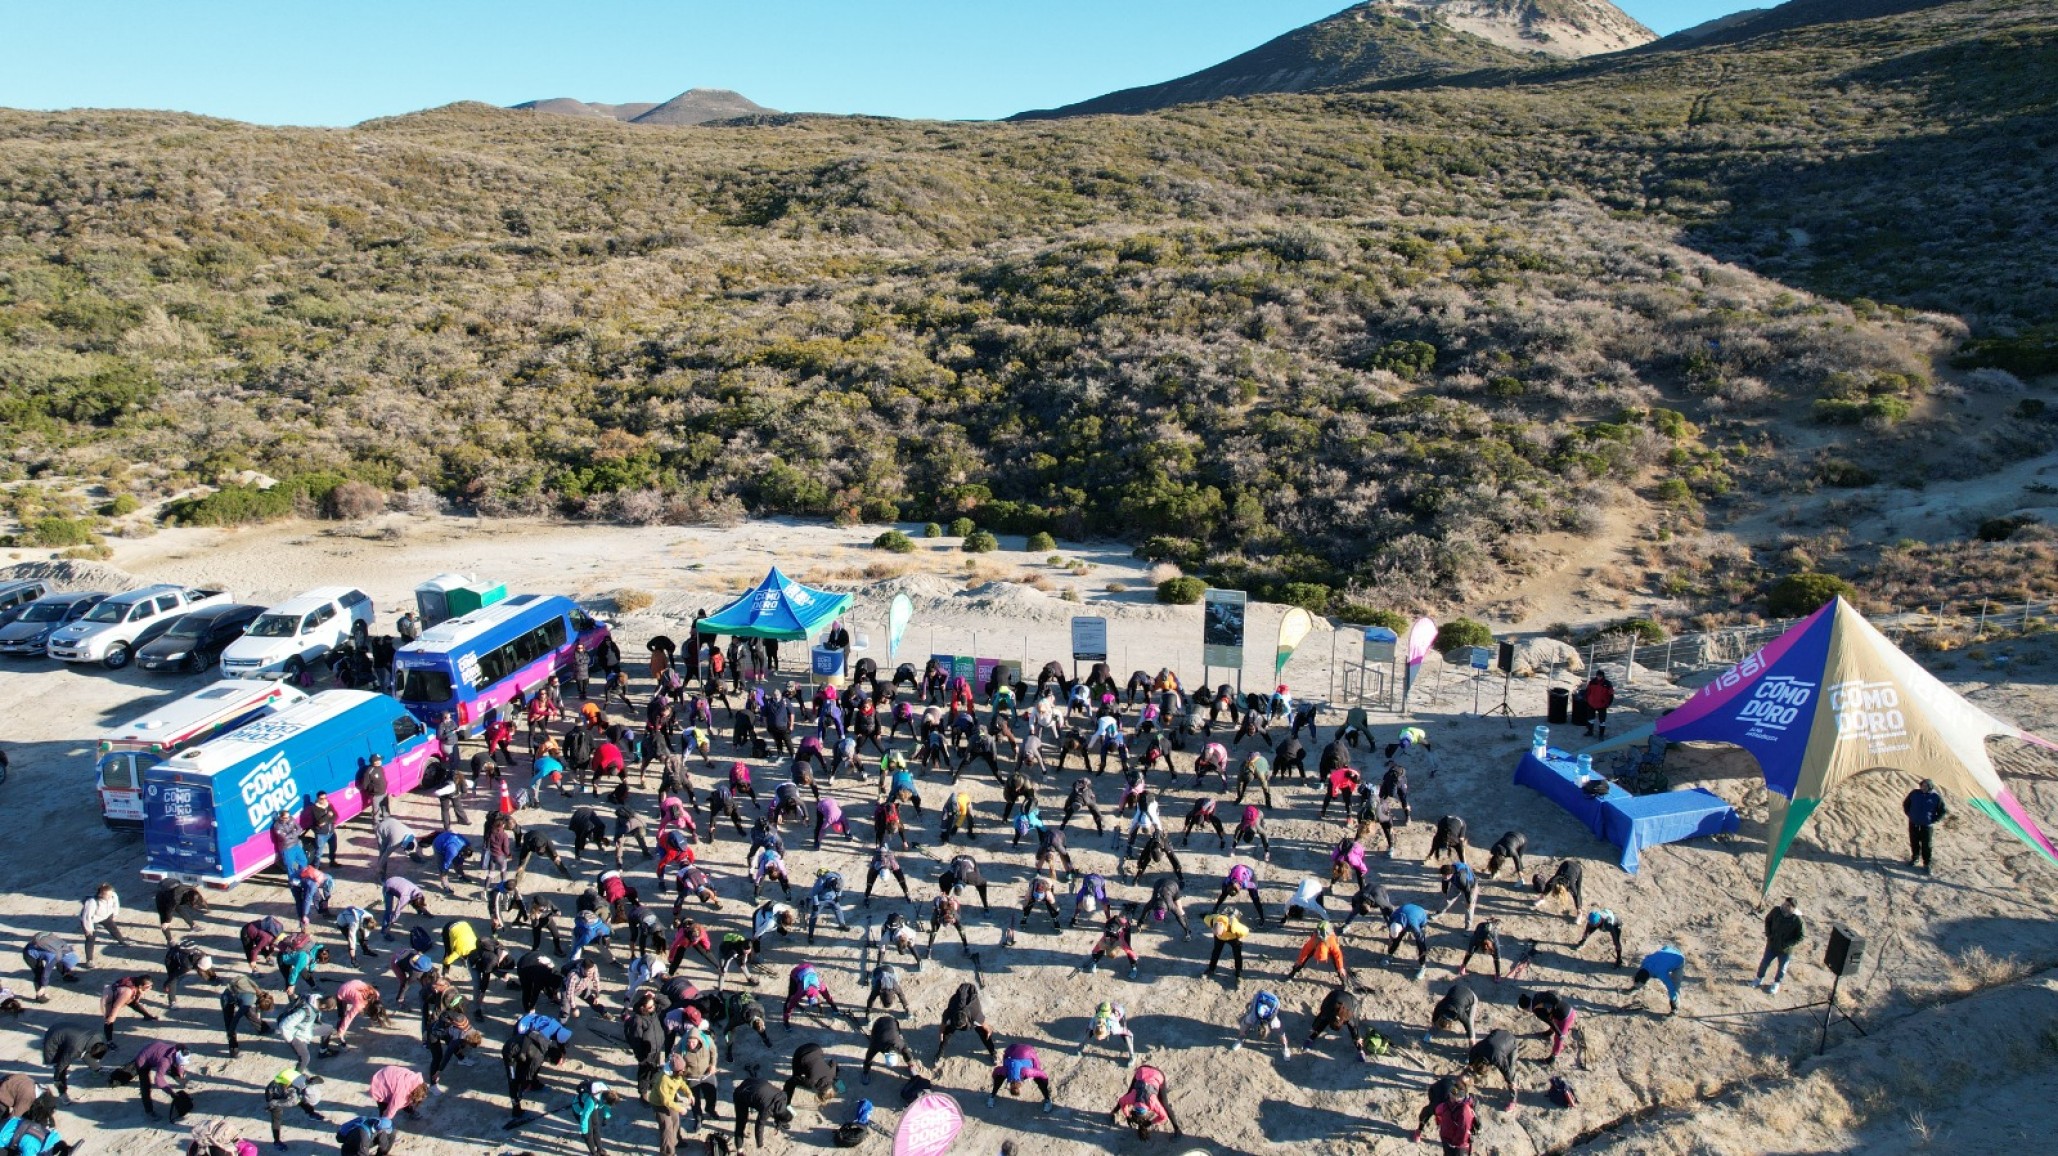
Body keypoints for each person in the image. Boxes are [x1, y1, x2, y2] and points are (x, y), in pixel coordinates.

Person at [42, 1023, 108, 1104]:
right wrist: (57, 1078)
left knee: (87, 1051)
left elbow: (89, 1051)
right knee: (60, 1067)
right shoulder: (75, 1049)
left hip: (66, 1029)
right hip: (53, 1038)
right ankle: (62, 1093)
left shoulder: (98, 1036)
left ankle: (96, 1070)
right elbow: (62, 1065)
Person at [1111, 1064, 1183, 1139]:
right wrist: (1128, 1115)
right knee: (1165, 1105)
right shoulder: (1133, 1098)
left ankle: (1178, 1130)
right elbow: (1121, 1101)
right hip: (1143, 1069)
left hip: (1154, 1074)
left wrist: (1128, 1116)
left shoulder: (1152, 1103)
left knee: (1164, 1104)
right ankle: (1177, 1129)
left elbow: (1164, 1117)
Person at [264, 1066, 328, 1150]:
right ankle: (277, 1141)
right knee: (276, 1117)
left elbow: (320, 1080)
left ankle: (311, 1113)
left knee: (301, 1100)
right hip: (273, 1092)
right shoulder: (294, 1094)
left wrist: (313, 1081)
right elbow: (290, 1102)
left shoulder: (307, 1081)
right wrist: (273, 1103)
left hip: (284, 1081)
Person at [935, 982, 998, 1063]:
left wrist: (988, 1031)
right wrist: (941, 1032)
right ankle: (940, 1053)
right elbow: (943, 1023)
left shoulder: (976, 1015)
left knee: (984, 1033)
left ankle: (993, 1052)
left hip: (972, 1011)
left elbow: (986, 1026)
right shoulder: (949, 1013)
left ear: (967, 1021)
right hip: (956, 1004)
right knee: (946, 1033)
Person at [1418, 1072, 1479, 1155]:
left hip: (1458, 1142)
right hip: (1448, 1136)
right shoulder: (1442, 1104)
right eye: (1452, 1094)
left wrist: (1454, 1143)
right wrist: (1419, 1129)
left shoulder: (1465, 1110)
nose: (1452, 1098)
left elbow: (1464, 1132)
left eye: (1456, 1097)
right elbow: (1427, 1112)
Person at [1755, 898, 1806, 995]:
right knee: (1764, 963)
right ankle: (1758, 979)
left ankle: (1776, 984)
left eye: (1788, 906)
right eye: (1784, 904)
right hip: (1772, 945)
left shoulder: (1797, 920)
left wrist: (1787, 944)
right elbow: (1768, 920)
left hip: (1785, 950)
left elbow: (1801, 936)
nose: (1784, 906)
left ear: (1793, 908)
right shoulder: (1776, 911)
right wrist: (1768, 934)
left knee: (1782, 968)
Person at [1466, 1028, 1522, 1113]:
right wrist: (1470, 1065)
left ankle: (1513, 1100)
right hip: (1498, 1033)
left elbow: (1506, 1071)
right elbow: (1471, 1055)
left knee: (1511, 1073)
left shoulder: (1497, 1058)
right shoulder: (1476, 1050)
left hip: (1511, 1042)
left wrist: (1510, 1082)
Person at [987, 1043, 1054, 1111]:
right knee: (1040, 1079)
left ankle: (1048, 1100)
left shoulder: (1027, 1072)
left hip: (1029, 1050)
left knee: (1039, 1077)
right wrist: (1045, 1082)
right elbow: (997, 1070)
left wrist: (1044, 1080)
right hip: (1013, 1049)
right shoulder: (1006, 1070)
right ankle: (1047, 1099)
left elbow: (1041, 1072)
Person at [731, 1078, 794, 1151]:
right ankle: (739, 1150)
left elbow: (779, 1114)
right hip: (741, 1094)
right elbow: (759, 1126)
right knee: (741, 1123)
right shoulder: (767, 1111)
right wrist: (760, 1144)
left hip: (753, 1082)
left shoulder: (783, 1096)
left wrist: (778, 1126)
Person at [1517, 990, 1577, 1064]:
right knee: (1554, 1017)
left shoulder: (1537, 1010)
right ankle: (1550, 1032)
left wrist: (1560, 1034)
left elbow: (1550, 1022)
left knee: (1558, 1038)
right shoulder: (1536, 997)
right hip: (1567, 1008)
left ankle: (1553, 1057)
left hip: (1566, 1017)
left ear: (1525, 1009)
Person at [22, 933, 82, 1001]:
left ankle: (66, 975)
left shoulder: (66, 949)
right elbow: (46, 972)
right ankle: (40, 995)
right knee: (39, 973)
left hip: (43, 950)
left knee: (59, 959)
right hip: (29, 954)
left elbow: (63, 954)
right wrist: (44, 986)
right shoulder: (54, 957)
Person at [1286, 920, 1350, 985]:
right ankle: (1292, 974)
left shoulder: (1332, 942)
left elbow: (1338, 955)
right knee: (1300, 962)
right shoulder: (1314, 940)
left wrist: (1340, 967)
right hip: (1317, 944)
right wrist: (1299, 961)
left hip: (1328, 942)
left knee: (1339, 967)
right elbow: (1305, 950)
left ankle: (1344, 982)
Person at [101, 973, 159, 1043]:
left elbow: (135, 998)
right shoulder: (128, 992)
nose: (150, 988)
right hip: (108, 1000)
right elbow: (117, 1006)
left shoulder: (137, 981)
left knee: (133, 1002)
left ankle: (147, 1016)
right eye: (148, 987)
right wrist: (111, 1017)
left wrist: (137, 996)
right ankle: (109, 1041)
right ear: (141, 986)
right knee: (109, 1020)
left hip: (118, 993)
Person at [1903, 778, 1947, 871]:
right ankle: (1915, 858)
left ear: (1930, 787)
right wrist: (1910, 814)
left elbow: (1942, 811)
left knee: (1926, 844)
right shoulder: (1914, 793)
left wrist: (1934, 820)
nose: (1923, 787)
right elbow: (1906, 804)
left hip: (1926, 825)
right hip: (1914, 822)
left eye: (1926, 786)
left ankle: (1927, 863)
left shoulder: (1935, 797)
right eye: (1922, 785)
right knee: (1914, 841)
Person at [1233, 989, 1290, 1056]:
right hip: (1260, 996)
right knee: (1247, 1021)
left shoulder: (1274, 1022)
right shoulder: (1253, 1017)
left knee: (1279, 1029)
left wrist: (1284, 1043)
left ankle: (1285, 1047)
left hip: (1275, 1001)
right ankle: (1240, 1039)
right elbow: (1244, 1023)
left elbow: (1281, 1032)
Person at [1631, 946, 1687, 1014]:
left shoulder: (1661, 973)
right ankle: (1636, 987)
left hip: (1679, 959)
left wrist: (1673, 998)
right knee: (1649, 971)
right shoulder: (1645, 962)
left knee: (1675, 985)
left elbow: (1670, 986)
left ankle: (1675, 1008)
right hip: (1667, 950)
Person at [79, 883, 126, 965]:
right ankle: (89, 960)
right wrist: (89, 929)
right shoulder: (92, 902)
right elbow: (86, 917)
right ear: (100, 894)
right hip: (92, 920)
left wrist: (115, 914)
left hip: (105, 916)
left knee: (113, 929)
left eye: (111, 895)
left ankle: (122, 942)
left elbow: (116, 904)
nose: (110, 897)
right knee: (90, 938)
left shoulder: (113, 895)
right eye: (107, 895)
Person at [1423, 980, 1479, 1048]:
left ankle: (1472, 1049)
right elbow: (1435, 1018)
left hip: (1471, 996)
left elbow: (1468, 1025)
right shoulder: (1440, 1007)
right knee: (1437, 1024)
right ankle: (1427, 1037)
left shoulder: (1460, 1013)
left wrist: (1471, 1039)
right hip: (1456, 989)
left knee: (1470, 1022)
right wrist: (1434, 1024)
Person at [1201, 911, 1251, 984]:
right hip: (1219, 939)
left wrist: (1240, 937)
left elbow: (1246, 931)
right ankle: (1211, 969)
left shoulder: (1234, 926)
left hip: (1232, 938)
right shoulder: (1212, 920)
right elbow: (1206, 918)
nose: (1220, 935)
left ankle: (1238, 971)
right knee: (1216, 952)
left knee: (1237, 954)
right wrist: (1203, 916)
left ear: (1223, 928)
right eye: (1217, 934)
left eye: (1220, 934)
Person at [572, 1079, 619, 1156]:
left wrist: (606, 1116)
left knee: (595, 1127)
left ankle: (600, 1150)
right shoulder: (592, 1101)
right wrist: (584, 1131)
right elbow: (584, 1117)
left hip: (592, 1107)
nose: (611, 1106)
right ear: (605, 1101)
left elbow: (607, 1106)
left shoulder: (607, 1092)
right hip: (580, 1110)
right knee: (589, 1134)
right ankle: (593, 1153)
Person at [1386, 904, 1431, 975]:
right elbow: (1392, 936)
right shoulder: (1392, 918)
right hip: (1407, 909)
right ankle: (1390, 954)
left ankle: (1423, 966)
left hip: (1421, 915)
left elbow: (1421, 939)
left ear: (1402, 929)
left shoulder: (1413, 926)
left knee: (1420, 945)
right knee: (1395, 940)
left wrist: (1422, 947)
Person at [1436, 861, 1482, 929]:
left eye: (1445, 876)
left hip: (1470, 886)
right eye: (1443, 875)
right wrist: (1445, 892)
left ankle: (1468, 926)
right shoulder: (1447, 873)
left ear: (1450, 875)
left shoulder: (1461, 878)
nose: (1443, 877)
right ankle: (1439, 913)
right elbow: (1445, 882)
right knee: (1448, 898)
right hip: (1456, 885)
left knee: (1469, 907)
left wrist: (1468, 902)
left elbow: (1467, 890)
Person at [1581, 672, 1614, 738]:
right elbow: (1587, 691)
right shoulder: (1592, 682)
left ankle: (1601, 734)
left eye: (1600, 676)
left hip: (1602, 705)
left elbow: (1611, 694)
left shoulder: (1607, 684)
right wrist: (1586, 700)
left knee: (1602, 721)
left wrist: (1608, 703)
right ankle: (1590, 731)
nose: (1599, 677)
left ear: (1603, 676)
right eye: (1598, 676)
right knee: (1590, 719)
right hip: (1591, 704)